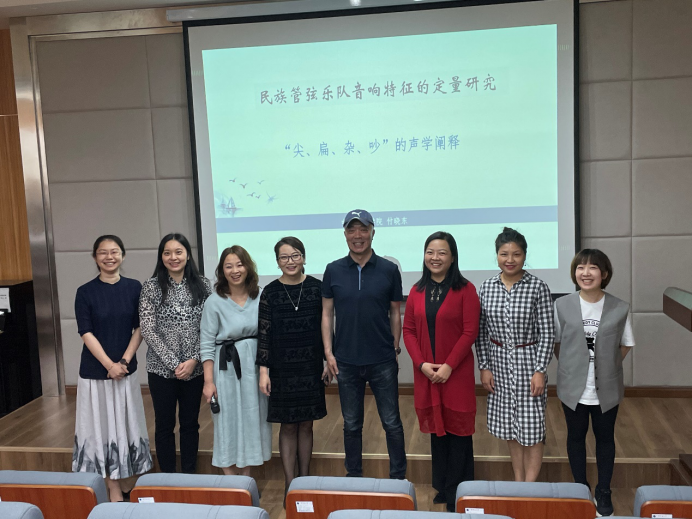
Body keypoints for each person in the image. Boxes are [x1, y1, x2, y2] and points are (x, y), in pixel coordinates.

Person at [322, 209, 406, 479]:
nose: (357, 235)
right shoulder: (333, 270)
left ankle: (398, 478)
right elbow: (327, 314)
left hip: (382, 359)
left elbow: (395, 312)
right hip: (345, 361)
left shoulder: (389, 270)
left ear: (372, 232)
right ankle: (354, 477)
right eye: (351, 229)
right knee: (351, 424)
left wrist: (395, 348)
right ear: (345, 234)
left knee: (392, 423)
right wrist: (328, 353)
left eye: (363, 229)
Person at [403, 231, 480, 512]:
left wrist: (448, 365)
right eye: (430, 252)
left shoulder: (466, 290)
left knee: (459, 431)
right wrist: (421, 364)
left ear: (453, 257)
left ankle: (459, 489)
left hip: (455, 373)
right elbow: (408, 330)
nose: (435, 258)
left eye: (442, 252)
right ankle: (443, 485)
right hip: (427, 373)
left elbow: (470, 331)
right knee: (437, 429)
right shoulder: (416, 290)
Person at [555, 249, 634, 517]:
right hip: (572, 387)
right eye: (580, 267)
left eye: (592, 268)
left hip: (607, 388)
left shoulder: (620, 307)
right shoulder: (562, 305)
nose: (585, 273)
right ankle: (581, 488)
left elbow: (626, 344)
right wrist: (576, 367)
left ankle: (603, 490)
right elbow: (558, 344)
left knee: (605, 438)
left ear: (605, 274)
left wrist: (605, 366)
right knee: (575, 437)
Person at [73, 235, 152, 502]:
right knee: (101, 430)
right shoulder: (85, 292)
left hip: (125, 372)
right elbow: (85, 332)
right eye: (103, 252)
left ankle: (128, 480)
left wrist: (124, 363)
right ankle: (112, 487)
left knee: (128, 426)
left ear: (123, 255)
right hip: (96, 374)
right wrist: (109, 365)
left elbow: (140, 327)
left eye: (115, 251)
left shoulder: (134, 287)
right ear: (95, 257)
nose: (109, 257)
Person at [477, 227, 554, 482]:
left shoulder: (538, 287)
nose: (510, 260)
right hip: (498, 364)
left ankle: (530, 489)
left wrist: (540, 370)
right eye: (504, 254)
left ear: (524, 255)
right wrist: (484, 366)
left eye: (516, 254)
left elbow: (547, 333)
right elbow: (481, 331)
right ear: (497, 255)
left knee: (532, 428)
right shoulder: (487, 287)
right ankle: (518, 482)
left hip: (529, 364)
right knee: (509, 427)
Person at [257, 237, 328, 497]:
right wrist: (263, 372)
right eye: (284, 257)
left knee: (307, 424)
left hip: (310, 366)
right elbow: (264, 334)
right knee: (287, 425)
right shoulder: (270, 292)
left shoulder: (317, 288)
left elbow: (326, 328)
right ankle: (289, 483)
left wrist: (327, 360)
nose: (291, 261)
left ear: (304, 258)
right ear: (277, 262)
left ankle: (304, 480)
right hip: (282, 369)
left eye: (295, 255)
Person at [139, 233, 212, 474]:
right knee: (164, 425)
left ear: (188, 255)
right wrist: (173, 363)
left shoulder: (203, 285)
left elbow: (209, 326)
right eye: (167, 252)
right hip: (160, 369)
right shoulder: (151, 287)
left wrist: (193, 360)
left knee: (190, 424)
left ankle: (190, 475)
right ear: (161, 257)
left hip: (195, 368)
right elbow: (147, 329)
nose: (173, 257)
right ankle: (168, 478)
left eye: (178, 252)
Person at [200, 246, 272, 475]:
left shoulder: (260, 296)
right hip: (226, 368)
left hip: (254, 366)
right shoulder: (214, 302)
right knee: (226, 421)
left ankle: (246, 481)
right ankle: (231, 483)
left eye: (239, 265)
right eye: (228, 266)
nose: (235, 270)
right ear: (222, 271)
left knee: (252, 418)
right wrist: (208, 382)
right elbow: (206, 344)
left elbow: (268, 335)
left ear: (248, 267)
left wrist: (265, 372)